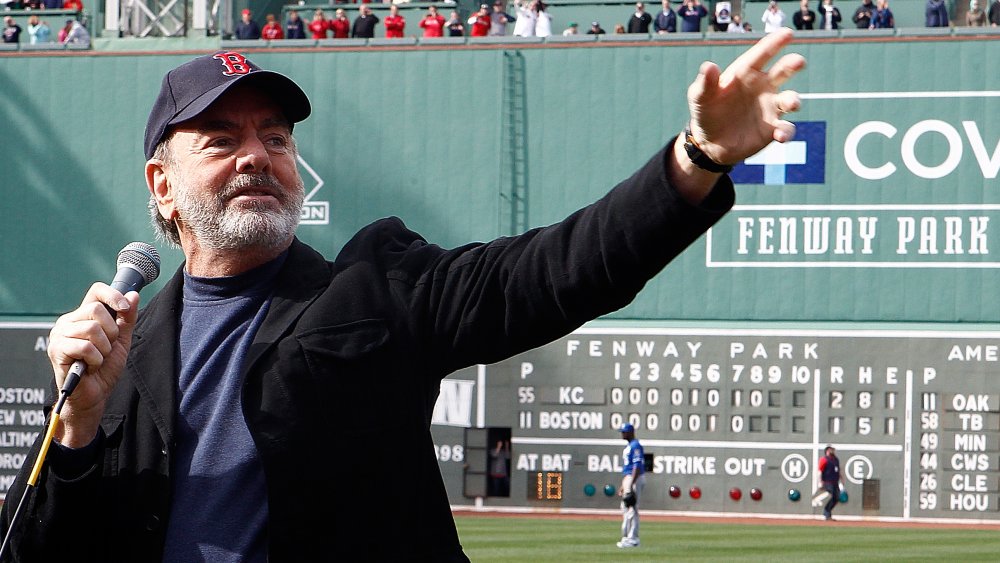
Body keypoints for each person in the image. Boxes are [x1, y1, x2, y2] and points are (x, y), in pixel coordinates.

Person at [0, 29, 805, 563]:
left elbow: (556, 270)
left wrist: (695, 158)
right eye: (222, 139)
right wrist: (73, 431)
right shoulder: (111, 353)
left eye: (276, 138)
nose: (258, 155)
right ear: (162, 188)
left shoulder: (374, 286)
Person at [617, 423, 645, 548]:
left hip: (635, 478)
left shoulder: (636, 445)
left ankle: (632, 538)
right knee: (626, 507)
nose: (622, 434)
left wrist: (632, 482)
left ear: (631, 432)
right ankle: (628, 536)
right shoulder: (630, 446)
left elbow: (637, 465)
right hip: (629, 478)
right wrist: (624, 485)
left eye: (624, 432)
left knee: (632, 508)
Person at [818, 445, 846, 521]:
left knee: (837, 497)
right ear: (827, 451)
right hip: (827, 482)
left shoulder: (836, 459)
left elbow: (838, 470)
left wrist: (842, 479)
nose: (833, 451)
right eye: (831, 450)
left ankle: (828, 513)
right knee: (834, 495)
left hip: (835, 482)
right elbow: (820, 471)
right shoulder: (824, 460)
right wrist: (820, 482)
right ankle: (826, 512)